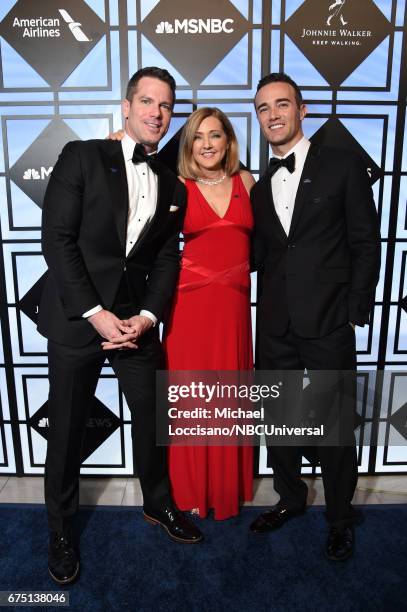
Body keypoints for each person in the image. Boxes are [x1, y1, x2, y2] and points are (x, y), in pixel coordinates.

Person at [39, 66, 203, 585]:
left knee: (154, 419)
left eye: (167, 106)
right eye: (148, 102)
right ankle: (61, 531)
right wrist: (96, 313)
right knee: (66, 432)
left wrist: (147, 316)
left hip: (135, 324)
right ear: (127, 107)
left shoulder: (172, 184)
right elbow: (57, 238)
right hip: (80, 320)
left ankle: (158, 504)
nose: (158, 113)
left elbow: (166, 261)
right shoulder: (82, 156)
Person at [249, 73, 381, 560]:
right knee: (279, 417)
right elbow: (260, 252)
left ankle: (340, 517)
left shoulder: (342, 166)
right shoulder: (259, 187)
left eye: (282, 104)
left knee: (333, 423)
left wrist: (354, 312)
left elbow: (366, 243)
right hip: (276, 323)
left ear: (302, 111)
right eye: (264, 108)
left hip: (328, 320)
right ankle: (290, 497)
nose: (274, 115)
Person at [164, 108, 255, 519]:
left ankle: (224, 489)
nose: (206, 144)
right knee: (193, 397)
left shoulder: (247, 182)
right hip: (190, 308)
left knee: (229, 394)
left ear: (228, 141)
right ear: (188, 145)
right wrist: (114, 144)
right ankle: (191, 491)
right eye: (198, 137)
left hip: (233, 307)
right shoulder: (178, 185)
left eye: (215, 135)